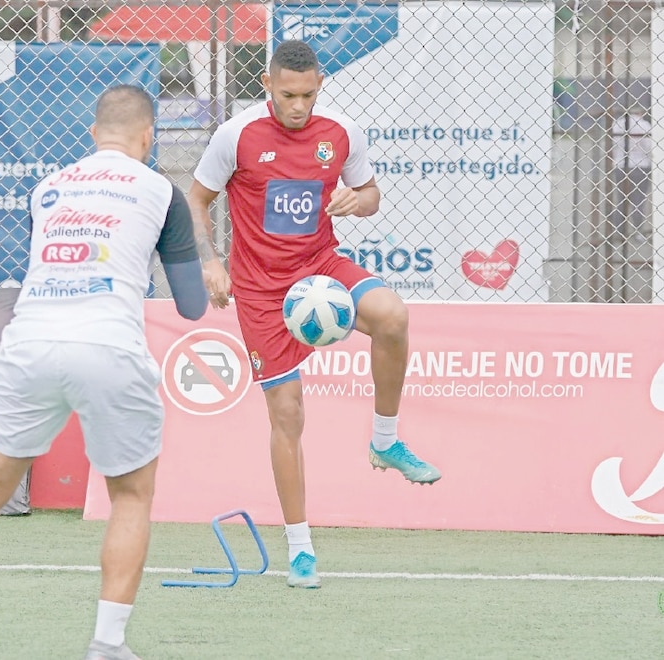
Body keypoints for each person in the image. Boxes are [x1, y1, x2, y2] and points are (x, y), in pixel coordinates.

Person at [0, 84, 208, 660]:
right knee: (131, 497)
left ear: (92, 135)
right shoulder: (162, 191)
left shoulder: (49, 188)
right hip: (109, 347)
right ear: (148, 136)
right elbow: (190, 306)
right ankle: (107, 645)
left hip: (29, 343)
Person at [186, 40, 441, 590]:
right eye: (287, 95)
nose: (297, 106)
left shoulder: (341, 132)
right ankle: (300, 549)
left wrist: (361, 200)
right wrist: (210, 262)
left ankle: (384, 439)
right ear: (267, 85)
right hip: (257, 290)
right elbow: (196, 198)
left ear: (319, 85)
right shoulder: (236, 135)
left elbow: (369, 191)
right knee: (288, 413)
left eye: (307, 94)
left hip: (320, 269)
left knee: (392, 316)